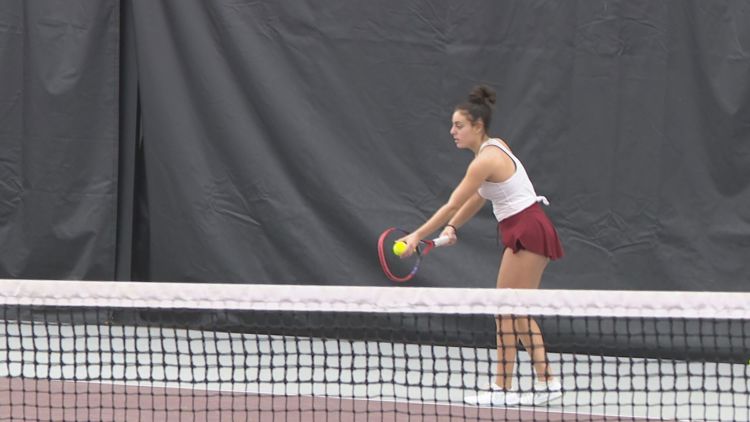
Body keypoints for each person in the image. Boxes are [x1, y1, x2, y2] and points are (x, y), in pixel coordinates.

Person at [398, 85, 564, 406]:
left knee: (507, 310)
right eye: (452, 125)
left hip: (528, 230)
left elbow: (451, 203)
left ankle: (503, 387)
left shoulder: (484, 161)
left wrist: (417, 236)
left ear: (478, 126)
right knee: (514, 311)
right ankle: (546, 382)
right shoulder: (494, 148)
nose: (452, 132)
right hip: (527, 228)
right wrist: (451, 228)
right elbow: (478, 198)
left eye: (459, 126)